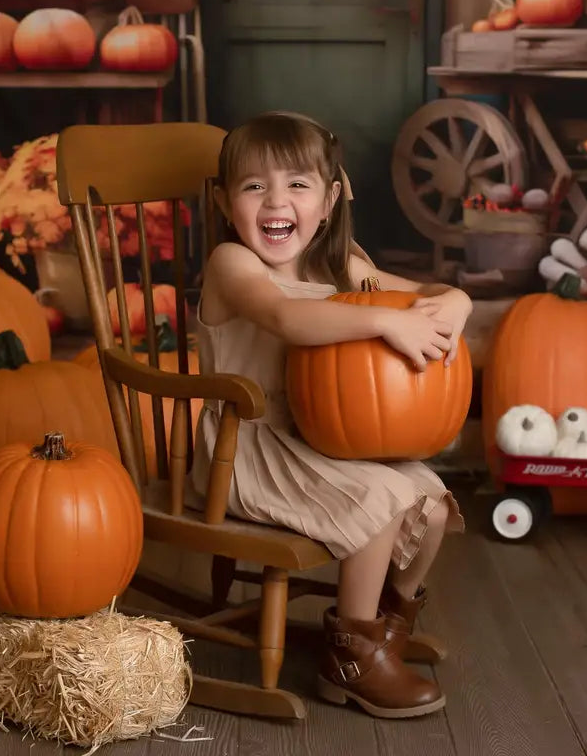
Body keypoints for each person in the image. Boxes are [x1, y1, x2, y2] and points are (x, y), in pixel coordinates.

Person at [188, 110, 472, 719]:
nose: (275, 201)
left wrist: (458, 300)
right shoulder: (233, 265)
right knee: (379, 501)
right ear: (223, 200)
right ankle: (351, 658)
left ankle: (384, 628)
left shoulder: (340, 267)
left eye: (297, 184)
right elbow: (289, 319)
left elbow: (421, 296)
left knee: (431, 500)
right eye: (253, 186)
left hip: (320, 440)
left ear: (330, 197)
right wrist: (382, 319)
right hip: (248, 449)